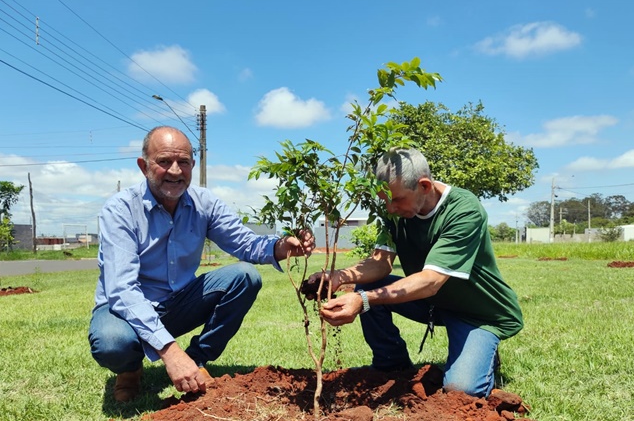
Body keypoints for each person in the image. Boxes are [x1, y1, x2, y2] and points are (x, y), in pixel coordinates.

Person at [89, 126, 314, 402]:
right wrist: (171, 351)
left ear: (192, 165)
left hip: (177, 303)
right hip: (124, 310)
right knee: (112, 342)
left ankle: (196, 360)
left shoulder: (204, 203)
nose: (175, 171)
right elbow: (122, 290)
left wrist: (280, 247)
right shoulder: (120, 210)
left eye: (183, 162)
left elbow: (244, 243)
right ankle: (130, 370)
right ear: (143, 166)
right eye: (164, 162)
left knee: (245, 276)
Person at [309, 148, 522, 398]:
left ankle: (485, 350)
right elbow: (380, 263)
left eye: (396, 199)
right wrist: (339, 276)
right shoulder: (396, 214)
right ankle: (392, 365)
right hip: (433, 301)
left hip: (476, 312)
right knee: (366, 289)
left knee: (461, 390)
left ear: (424, 185)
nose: (389, 208)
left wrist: (364, 300)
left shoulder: (464, 210)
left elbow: (431, 281)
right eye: (384, 200)